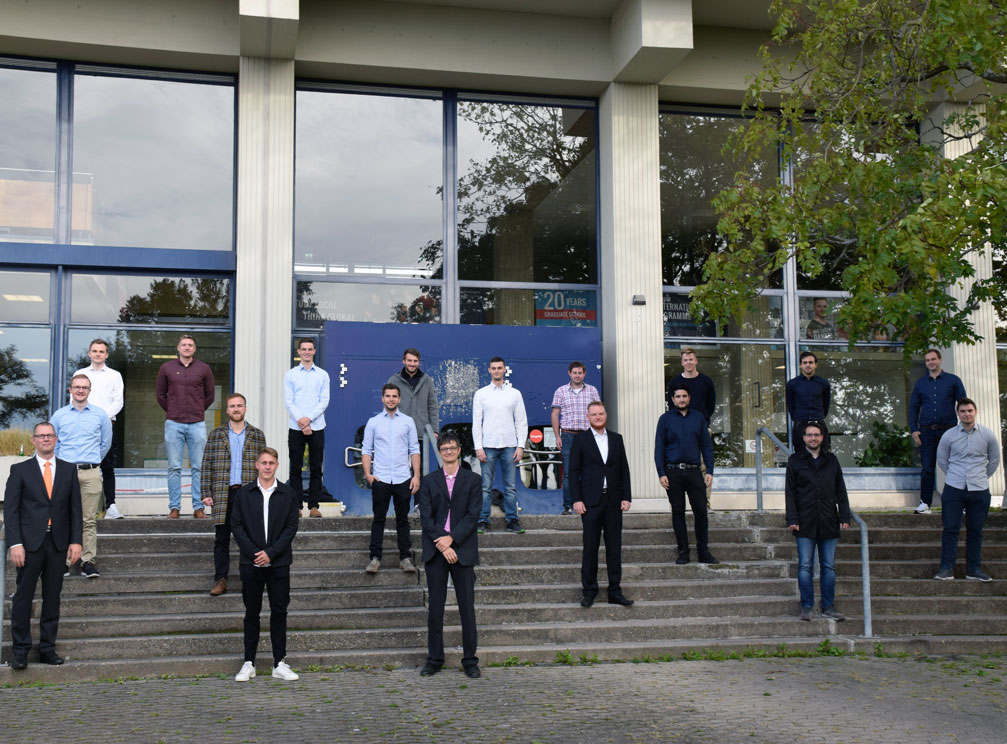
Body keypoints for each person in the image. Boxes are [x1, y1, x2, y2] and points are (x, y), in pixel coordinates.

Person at [4, 422, 83, 669]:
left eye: (50, 435)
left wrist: (76, 540)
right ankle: (20, 651)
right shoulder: (20, 470)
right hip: (28, 545)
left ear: (56, 439)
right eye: (41, 436)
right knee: (23, 598)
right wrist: (15, 543)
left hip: (58, 543)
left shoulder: (69, 470)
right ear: (33, 440)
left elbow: (75, 509)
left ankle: (47, 649)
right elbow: (11, 509)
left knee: (52, 599)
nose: (46, 439)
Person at [230, 447, 300, 682]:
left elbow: (291, 528)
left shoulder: (288, 494)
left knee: (279, 612)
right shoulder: (244, 494)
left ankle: (279, 663)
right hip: (251, 564)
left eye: (271, 462)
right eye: (264, 462)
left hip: (279, 564)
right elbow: (237, 526)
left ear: (277, 466)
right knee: (252, 613)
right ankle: (248, 663)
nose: (267, 466)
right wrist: (254, 553)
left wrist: (270, 554)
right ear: (256, 466)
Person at [416, 432, 482, 679]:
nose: (448, 451)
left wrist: (452, 539)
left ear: (459, 449)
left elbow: (472, 516)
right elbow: (426, 518)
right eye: (444, 448)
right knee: (435, 608)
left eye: (452, 448)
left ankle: (470, 661)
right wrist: (443, 545)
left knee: (467, 608)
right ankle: (434, 659)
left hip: (463, 550)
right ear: (440, 452)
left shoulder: (473, 480)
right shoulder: (429, 480)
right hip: (436, 550)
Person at [201, 392, 267, 597]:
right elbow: (206, 465)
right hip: (223, 492)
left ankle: (251, 579)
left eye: (240, 405)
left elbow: (264, 465)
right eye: (232, 406)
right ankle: (221, 579)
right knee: (222, 538)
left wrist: (264, 491)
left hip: (249, 493)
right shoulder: (216, 434)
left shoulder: (257, 435)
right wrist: (205, 492)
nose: (236, 409)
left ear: (245, 408)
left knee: (250, 537)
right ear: (227, 410)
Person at [569, 401, 633, 608]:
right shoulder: (580, 440)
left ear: (606, 415)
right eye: (594, 414)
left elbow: (624, 469)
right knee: (590, 548)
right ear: (588, 417)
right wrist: (576, 500)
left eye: (601, 413)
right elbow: (574, 473)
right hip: (590, 502)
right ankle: (589, 591)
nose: (597, 417)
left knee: (614, 548)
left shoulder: (616, 439)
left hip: (613, 501)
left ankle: (615, 590)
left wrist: (627, 496)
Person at [785, 422, 850, 621]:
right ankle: (807, 606)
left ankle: (828, 606)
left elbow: (840, 489)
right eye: (809, 435)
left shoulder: (831, 460)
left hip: (829, 519)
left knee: (828, 566)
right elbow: (790, 492)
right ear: (803, 438)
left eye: (817, 435)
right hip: (804, 521)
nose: (813, 438)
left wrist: (844, 515)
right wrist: (792, 518)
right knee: (805, 566)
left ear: (822, 437)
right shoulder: (795, 461)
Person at [51, 374, 111, 578]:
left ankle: (88, 562)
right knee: (64, 518)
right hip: (65, 473)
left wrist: (91, 462)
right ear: (70, 390)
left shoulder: (100, 415)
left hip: (91, 472)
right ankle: (65, 562)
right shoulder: (59, 416)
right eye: (76, 387)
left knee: (88, 520)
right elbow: (53, 444)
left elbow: (105, 444)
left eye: (84, 387)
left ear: (89, 391)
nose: (80, 390)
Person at [933, 398, 1000, 582]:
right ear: (958, 414)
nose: (967, 414)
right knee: (950, 529)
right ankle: (946, 569)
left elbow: (994, 460)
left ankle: (974, 570)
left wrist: (980, 477)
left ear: (975, 412)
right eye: (962, 411)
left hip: (979, 489)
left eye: (970, 410)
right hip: (954, 488)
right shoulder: (949, 435)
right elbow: (942, 460)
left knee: (975, 530)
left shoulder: (987, 435)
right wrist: (955, 476)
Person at [655, 384, 717, 565]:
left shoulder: (698, 418)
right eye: (678, 396)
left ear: (689, 398)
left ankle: (703, 551)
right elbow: (659, 447)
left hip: (694, 471)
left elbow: (706, 445)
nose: (681, 399)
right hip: (672, 472)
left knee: (701, 511)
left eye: (684, 396)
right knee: (678, 512)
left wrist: (710, 470)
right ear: (672, 399)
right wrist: (661, 472)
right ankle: (683, 551)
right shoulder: (665, 419)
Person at [362, 383, 421, 574]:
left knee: (403, 520)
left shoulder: (408, 422)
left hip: (403, 478)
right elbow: (366, 449)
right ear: (382, 398)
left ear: (399, 399)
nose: (391, 399)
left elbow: (414, 449)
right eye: (387, 396)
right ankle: (375, 558)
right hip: (381, 479)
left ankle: (405, 558)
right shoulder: (373, 422)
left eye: (394, 396)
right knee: (378, 519)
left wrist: (417, 476)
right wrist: (368, 475)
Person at [156, 334, 215, 519]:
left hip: (197, 424)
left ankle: (198, 507)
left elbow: (210, 396)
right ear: (178, 348)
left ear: (194, 349)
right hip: (174, 423)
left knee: (198, 466)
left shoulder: (204, 369)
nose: (187, 347)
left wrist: (197, 410)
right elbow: (160, 395)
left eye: (190, 345)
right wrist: (174, 410)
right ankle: (175, 508)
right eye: (184, 345)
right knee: (174, 467)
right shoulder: (167, 368)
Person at [473, 357, 528, 535]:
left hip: (509, 445)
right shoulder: (481, 394)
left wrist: (520, 446)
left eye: (499, 368)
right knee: (485, 486)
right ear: (489, 370)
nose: (496, 371)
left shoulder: (515, 394)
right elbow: (477, 423)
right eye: (493, 368)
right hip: (487, 446)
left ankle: (512, 520)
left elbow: (521, 421)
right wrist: (478, 447)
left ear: (504, 370)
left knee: (510, 486)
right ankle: (483, 520)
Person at [909, 349, 966, 515]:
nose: (931, 363)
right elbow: (913, 408)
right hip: (926, 432)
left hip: (949, 431)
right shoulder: (921, 384)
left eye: (933, 359)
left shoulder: (953, 381)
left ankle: (959, 504)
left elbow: (963, 405)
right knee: (927, 469)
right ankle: (925, 504)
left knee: (955, 467)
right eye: (927, 360)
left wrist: (963, 428)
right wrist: (914, 430)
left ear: (940, 360)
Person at [74, 338, 124, 519]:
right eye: (94, 351)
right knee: (80, 466)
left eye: (101, 351)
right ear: (89, 353)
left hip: (106, 427)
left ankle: (110, 506)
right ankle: (78, 505)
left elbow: (118, 401)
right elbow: (74, 398)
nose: (97, 354)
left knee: (107, 467)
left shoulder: (114, 375)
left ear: (106, 354)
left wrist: (101, 419)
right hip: (83, 428)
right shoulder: (80, 374)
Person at [285, 338, 330, 518]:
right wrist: (301, 422)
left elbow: (324, 401)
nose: (307, 352)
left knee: (316, 467)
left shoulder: (323, 375)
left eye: (310, 349)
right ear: (299, 351)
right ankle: (297, 506)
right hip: (295, 427)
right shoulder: (291, 375)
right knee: (295, 467)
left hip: (317, 426)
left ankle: (313, 506)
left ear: (314, 352)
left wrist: (309, 420)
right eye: (303, 349)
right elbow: (289, 402)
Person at [666, 347, 716, 509]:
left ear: (696, 361)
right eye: (685, 360)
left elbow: (711, 405)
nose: (688, 362)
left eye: (691, 359)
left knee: (703, 464)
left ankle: (705, 501)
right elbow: (671, 404)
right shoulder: (675, 382)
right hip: (679, 429)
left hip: (701, 428)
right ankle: (679, 502)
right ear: (682, 362)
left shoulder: (706, 381)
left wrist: (702, 420)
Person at [551, 361, 601, 515]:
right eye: (575, 373)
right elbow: (555, 414)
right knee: (568, 472)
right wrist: (557, 436)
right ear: (569, 373)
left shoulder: (592, 391)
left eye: (580, 373)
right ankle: (568, 506)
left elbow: (599, 413)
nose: (577, 375)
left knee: (590, 471)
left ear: (584, 374)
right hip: (568, 436)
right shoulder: (561, 391)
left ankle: (589, 504)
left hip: (588, 436)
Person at [388, 347, 440, 448]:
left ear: (419, 362)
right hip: (399, 433)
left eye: (415, 361)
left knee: (420, 464)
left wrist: (434, 430)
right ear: (404, 361)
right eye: (409, 360)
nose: (412, 364)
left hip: (421, 434)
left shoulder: (427, 380)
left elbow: (433, 406)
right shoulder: (393, 380)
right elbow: (388, 407)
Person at [785, 351, 830, 453]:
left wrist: (818, 417)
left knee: (823, 455)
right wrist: (799, 419)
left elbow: (826, 405)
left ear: (815, 365)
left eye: (810, 362)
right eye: (805, 363)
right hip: (800, 424)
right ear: (800, 365)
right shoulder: (792, 384)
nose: (808, 365)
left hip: (819, 423)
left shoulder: (823, 384)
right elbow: (790, 406)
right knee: (801, 456)